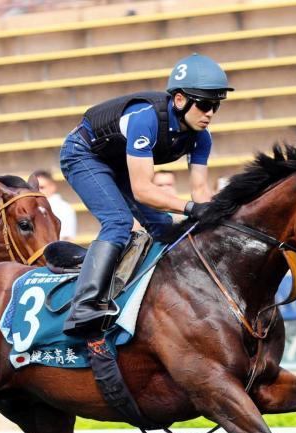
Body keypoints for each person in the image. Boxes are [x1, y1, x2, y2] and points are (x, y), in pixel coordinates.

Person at [59, 53, 231, 336]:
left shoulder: (202, 137)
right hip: (83, 154)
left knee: (163, 226)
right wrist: (190, 208)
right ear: (179, 100)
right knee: (118, 222)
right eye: (204, 104)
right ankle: (84, 306)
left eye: (216, 106)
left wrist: (216, 218)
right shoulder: (146, 119)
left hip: (118, 160)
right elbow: (143, 190)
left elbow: (200, 190)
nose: (210, 113)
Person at [30, 169, 77, 240]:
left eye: (42, 187)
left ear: (52, 187)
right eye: (34, 188)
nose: (37, 191)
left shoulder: (64, 208)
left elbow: (66, 239)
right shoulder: (29, 207)